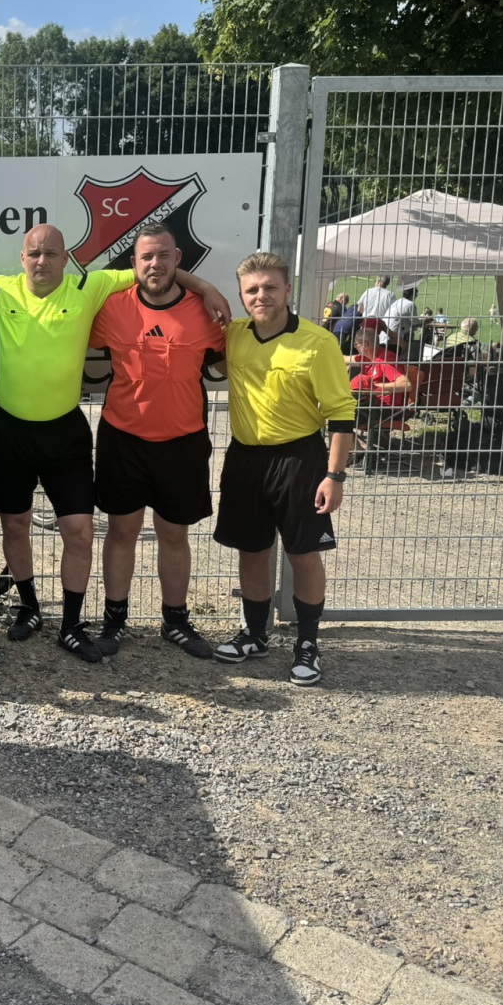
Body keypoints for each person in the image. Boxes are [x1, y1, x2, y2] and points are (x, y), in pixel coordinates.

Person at [0, 224, 230, 662]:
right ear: (22, 257)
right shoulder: (3, 288)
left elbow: (159, 280)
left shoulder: (98, 290)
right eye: (34, 253)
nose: (42, 260)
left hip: (117, 435)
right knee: (34, 526)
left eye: (51, 253)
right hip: (44, 432)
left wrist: (205, 286)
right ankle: (53, 611)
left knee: (110, 533)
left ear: (67, 259)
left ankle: (136, 623)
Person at [212, 252, 355, 686]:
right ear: (242, 295)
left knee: (303, 554)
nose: (262, 296)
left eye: (270, 287)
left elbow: (341, 415)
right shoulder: (233, 335)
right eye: (252, 289)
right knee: (251, 549)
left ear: (287, 290)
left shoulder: (317, 342)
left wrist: (334, 476)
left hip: (299, 459)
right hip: (245, 457)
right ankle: (255, 634)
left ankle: (308, 643)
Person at [87, 224, 225, 659]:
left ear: (178, 259)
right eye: (146, 256)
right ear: (133, 263)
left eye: (164, 255)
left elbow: (234, 363)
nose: (155, 264)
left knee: (174, 533)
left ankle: (175, 621)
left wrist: (205, 288)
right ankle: (114, 619)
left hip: (183, 441)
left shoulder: (205, 311)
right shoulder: (112, 307)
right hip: (123, 437)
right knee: (121, 530)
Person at [382, 284, 421, 357]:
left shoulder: (398, 302)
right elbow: (416, 324)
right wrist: (425, 321)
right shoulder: (410, 304)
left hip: (385, 335)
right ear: (412, 295)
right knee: (406, 351)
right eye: (416, 295)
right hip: (393, 337)